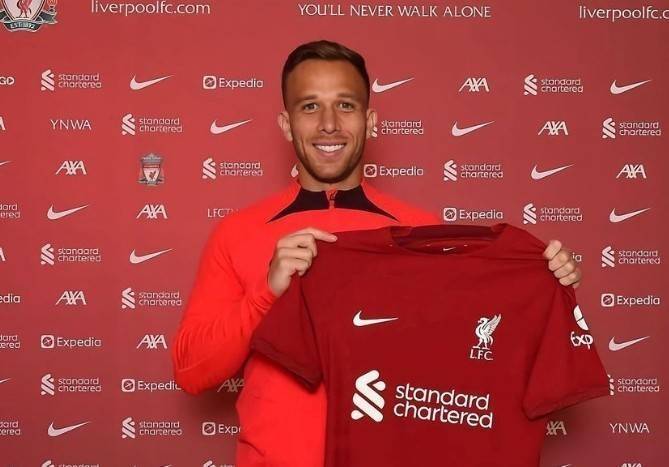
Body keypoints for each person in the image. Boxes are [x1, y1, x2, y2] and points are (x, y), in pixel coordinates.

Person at [171, 40, 582, 467]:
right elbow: (191, 371)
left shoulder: (423, 234)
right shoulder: (237, 232)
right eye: (310, 107)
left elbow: (478, 353)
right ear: (286, 124)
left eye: (345, 105)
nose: (329, 124)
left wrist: (548, 279)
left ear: (370, 122)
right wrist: (266, 293)